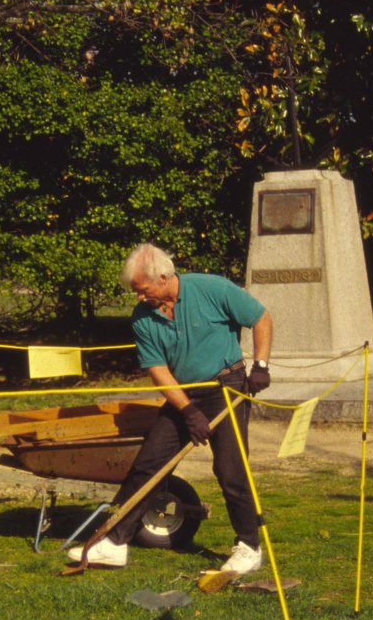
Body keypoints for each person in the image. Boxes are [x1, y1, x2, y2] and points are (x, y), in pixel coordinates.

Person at [68, 243, 273, 571]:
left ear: (163, 277)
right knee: (149, 464)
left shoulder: (212, 289)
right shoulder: (142, 318)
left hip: (226, 388)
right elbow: (158, 370)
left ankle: (248, 545)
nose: (138, 296)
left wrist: (260, 364)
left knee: (231, 468)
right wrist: (188, 411)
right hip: (184, 395)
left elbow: (260, 317)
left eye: (142, 289)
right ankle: (116, 542)